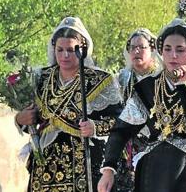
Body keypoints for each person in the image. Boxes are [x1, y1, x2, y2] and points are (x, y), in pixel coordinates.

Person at [98, 19, 186, 192]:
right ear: (160, 52)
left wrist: (183, 87)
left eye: (180, 50)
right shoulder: (148, 87)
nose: (173, 55)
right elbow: (121, 130)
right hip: (157, 172)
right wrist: (108, 169)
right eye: (167, 49)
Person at [14, 16, 122, 191]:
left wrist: (95, 127)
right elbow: (33, 122)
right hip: (44, 167)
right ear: (53, 49)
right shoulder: (40, 78)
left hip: (85, 164)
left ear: (83, 50)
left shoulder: (99, 81)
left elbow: (120, 121)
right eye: (60, 49)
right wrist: (21, 119)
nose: (65, 55)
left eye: (71, 50)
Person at [114, 28, 162, 191]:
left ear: (152, 49)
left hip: (156, 143)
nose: (136, 51)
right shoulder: (122, 79)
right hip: (128, 147)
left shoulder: (161, 77)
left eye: (141, 47)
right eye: (133, 47)